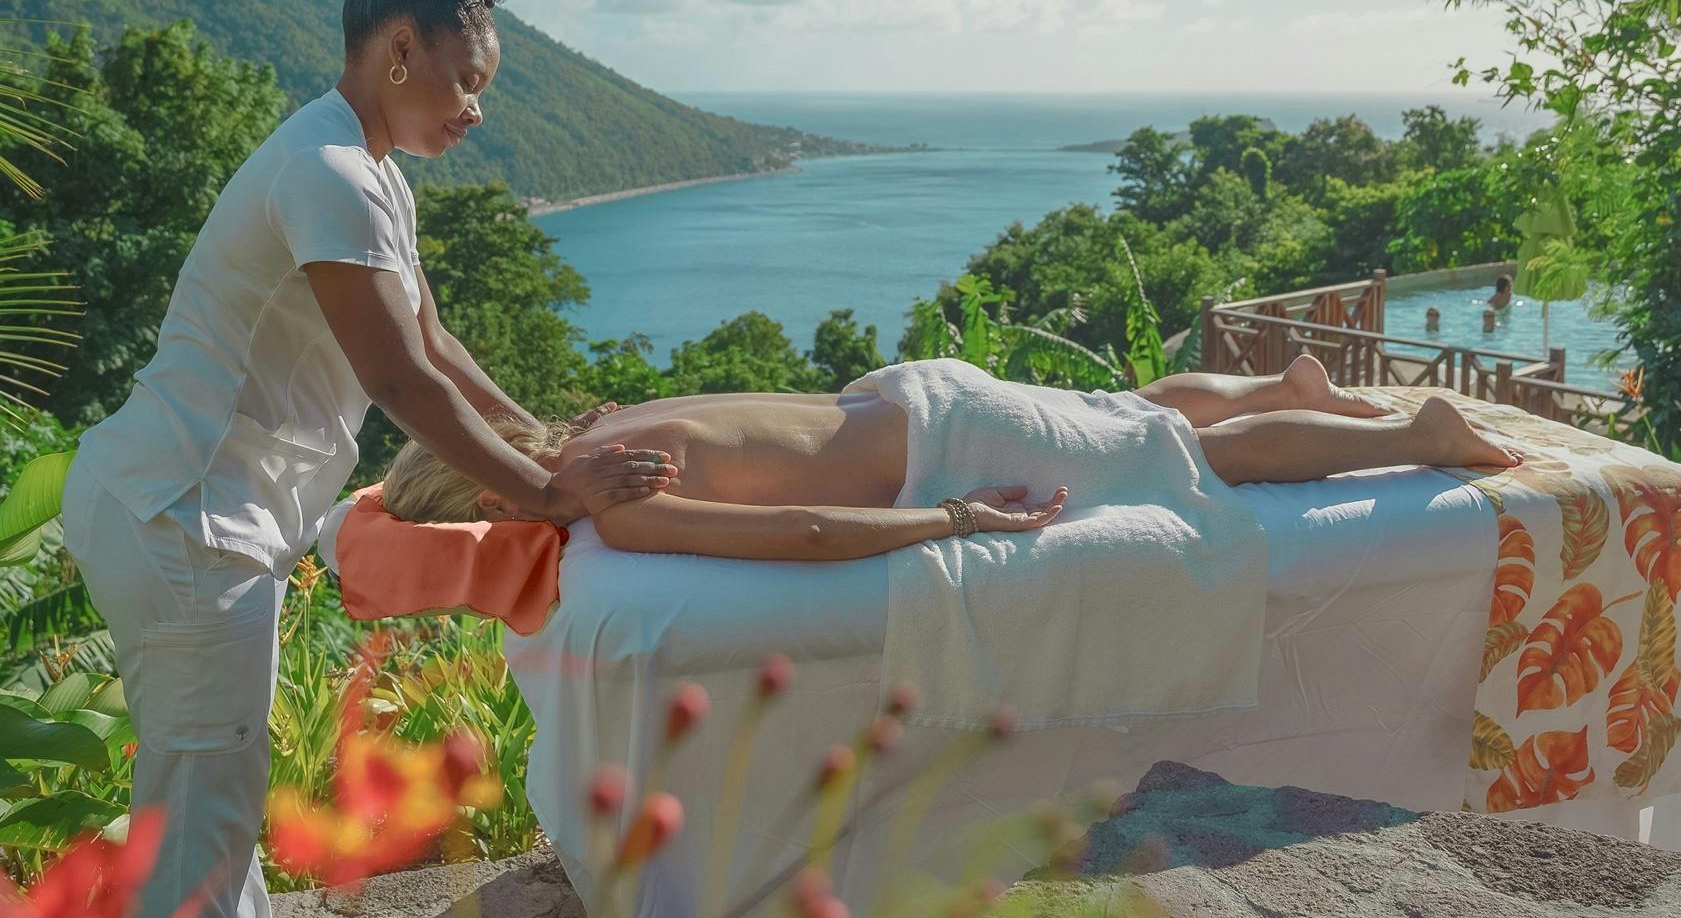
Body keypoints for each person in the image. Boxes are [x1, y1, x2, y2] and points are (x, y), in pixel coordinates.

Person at [61, 0, 674, 918]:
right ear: (401, 49)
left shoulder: (368, 168)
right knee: (202, 785)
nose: (478, 109)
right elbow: (397, 379)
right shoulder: (329, 172)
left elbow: (434, 340)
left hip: (203, 511)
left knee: (217, 771)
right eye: (469, 79)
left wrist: (545, 436)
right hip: (182, 512)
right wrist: (543, 491)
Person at [382, 354, 1522, 561]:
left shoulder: (614, 499)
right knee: (1121, 407)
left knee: (1182, 454)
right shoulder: (596, 428)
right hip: (908, 394)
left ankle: (1413, 432)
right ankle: (1288, 386)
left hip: (949, 440)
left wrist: (963, 521)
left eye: (479, 526)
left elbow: (808, 533)